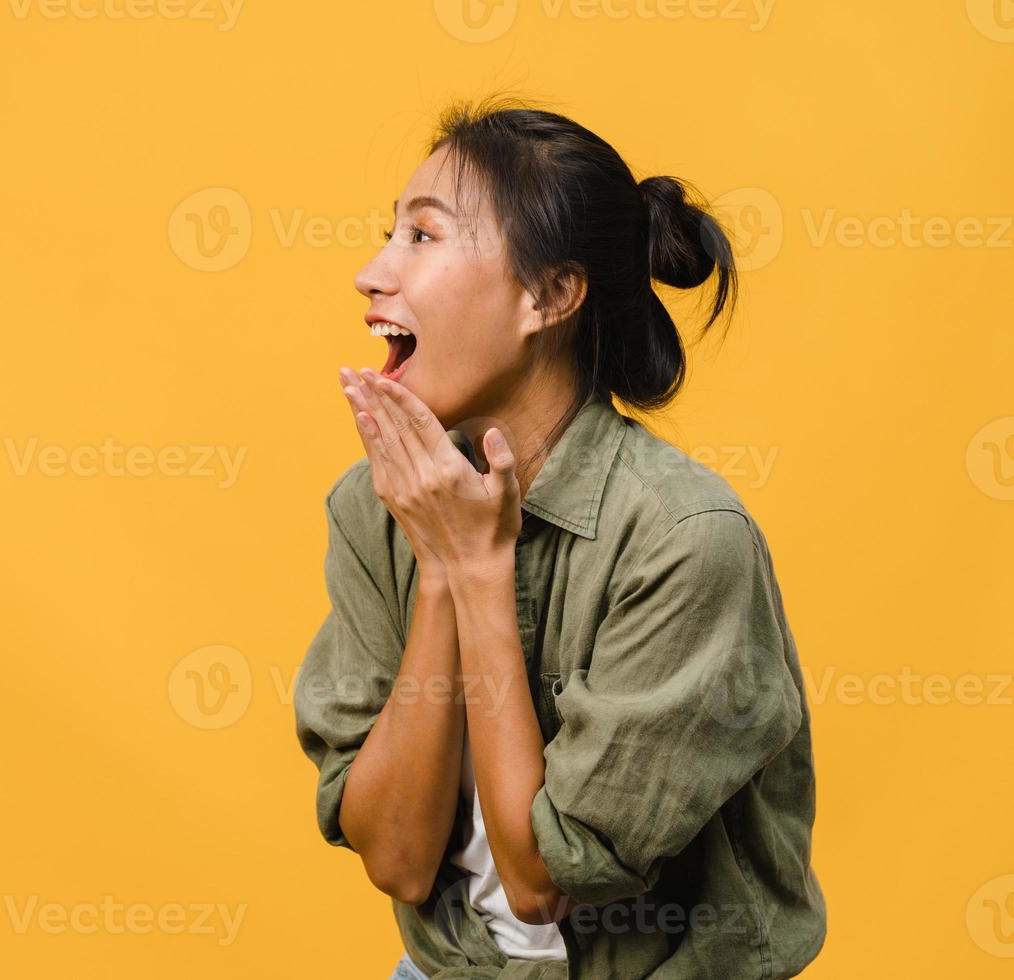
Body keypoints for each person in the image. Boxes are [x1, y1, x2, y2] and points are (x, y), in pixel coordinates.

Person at [293, 96, 827, 979]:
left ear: (548, 295)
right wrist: (439, 565)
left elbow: (547, 878)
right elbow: (394, 857)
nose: (371, 273)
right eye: (388, 234)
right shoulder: (374, 508)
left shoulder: (686, 542)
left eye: (422, 237)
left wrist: (476, 568)